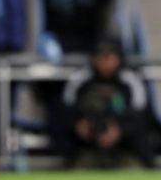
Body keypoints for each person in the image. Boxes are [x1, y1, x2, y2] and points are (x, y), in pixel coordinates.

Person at [62, 39, 155, 169]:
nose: (106, 63)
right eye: (102, 57)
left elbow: (141, 114)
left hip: (125, 145)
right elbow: (65, 111)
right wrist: (78, 126)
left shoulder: (130, 80)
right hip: (86, 144)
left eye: (110, 57)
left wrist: (120, 130)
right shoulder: (80, 79)